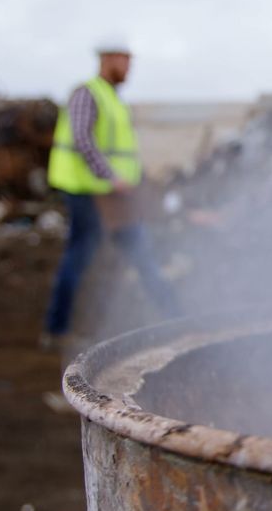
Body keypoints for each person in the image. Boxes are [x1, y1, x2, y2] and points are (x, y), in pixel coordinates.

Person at [42, 37, 180, 349]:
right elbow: (82, 139)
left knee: (139, 250)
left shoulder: (114, 99)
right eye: (124, 60)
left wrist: (138, 179)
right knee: (81, 254)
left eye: (130, 60)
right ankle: (57, 328)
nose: (129, 66)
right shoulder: (87, 94)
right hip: (87, 191)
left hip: (116, 194)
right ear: (106, 60)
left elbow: (123, 151)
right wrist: (110, 176)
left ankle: (174, 316)